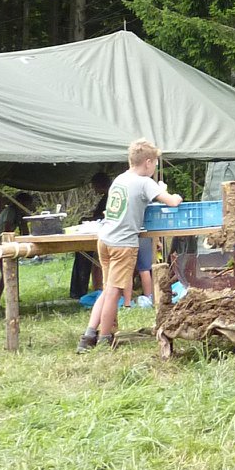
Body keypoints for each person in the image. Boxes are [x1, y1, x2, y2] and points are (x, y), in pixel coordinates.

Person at [78, 139, 180, 352]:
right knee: (114, 293)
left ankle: (88, 336)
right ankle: (105, 338)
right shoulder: (145, 182)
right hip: (123, 244)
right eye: (156, 164)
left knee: (106, 290)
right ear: (149, 163)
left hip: (104, 239)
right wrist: (173, 194)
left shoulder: (120, 178)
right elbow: (170, 201)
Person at [0, 193, 35, 311]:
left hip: (0, 242)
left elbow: (25, 232)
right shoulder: (10, 210)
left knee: (6, 273)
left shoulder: (20, 214)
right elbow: (7, 229)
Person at [69, 171, 109, 300]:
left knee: (89, 259)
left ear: (99, 184)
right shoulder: (106, 197)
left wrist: (89, 220)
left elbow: (104, 217)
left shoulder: (110, 197)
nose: (93, 189)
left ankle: (81, 290)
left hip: (104, 235)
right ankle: (81, 289)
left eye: (94, 186)